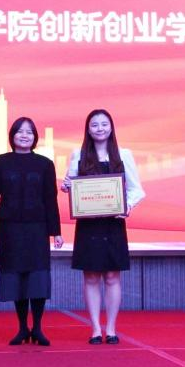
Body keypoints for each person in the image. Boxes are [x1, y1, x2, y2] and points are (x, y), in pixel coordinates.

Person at [60, 109, 145, 345]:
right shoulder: (78, 154)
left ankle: (112, 328)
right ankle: (96, 329)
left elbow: (137, 190)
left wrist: (126, 206)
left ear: (111, 127)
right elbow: (71, 185)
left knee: (112, 276)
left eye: (104, 124)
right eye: (95, 125)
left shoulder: (123, 154)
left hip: (113, 223)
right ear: (88, 129)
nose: (100, 128)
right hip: (88, 225)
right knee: (90, 276)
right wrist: (67, 186)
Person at [0, 117, 63, 346]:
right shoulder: (1, 161)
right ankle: (22, 328)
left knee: (37, 277)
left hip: (37, 229)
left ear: (35, 137)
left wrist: (56, 231)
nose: (24, 135)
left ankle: (37, 328)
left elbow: (51, 200)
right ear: (12, 136)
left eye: (29, 132)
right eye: (20, 131)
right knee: (16, 277)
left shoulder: (45, 164)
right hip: (9, 229)